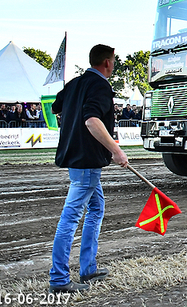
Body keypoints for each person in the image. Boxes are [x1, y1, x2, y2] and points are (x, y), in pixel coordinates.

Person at [49, 44, 129, 294]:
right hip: (87, 161)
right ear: (107, 62)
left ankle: (88, 268)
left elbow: (55, 107)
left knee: (96, 208)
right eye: (113, 61)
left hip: (77, 158)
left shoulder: (75, 83)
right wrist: (116, 151)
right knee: (71, 217)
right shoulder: (100, 85)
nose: (113, 65)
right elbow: (92, 120)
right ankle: (59, 279)